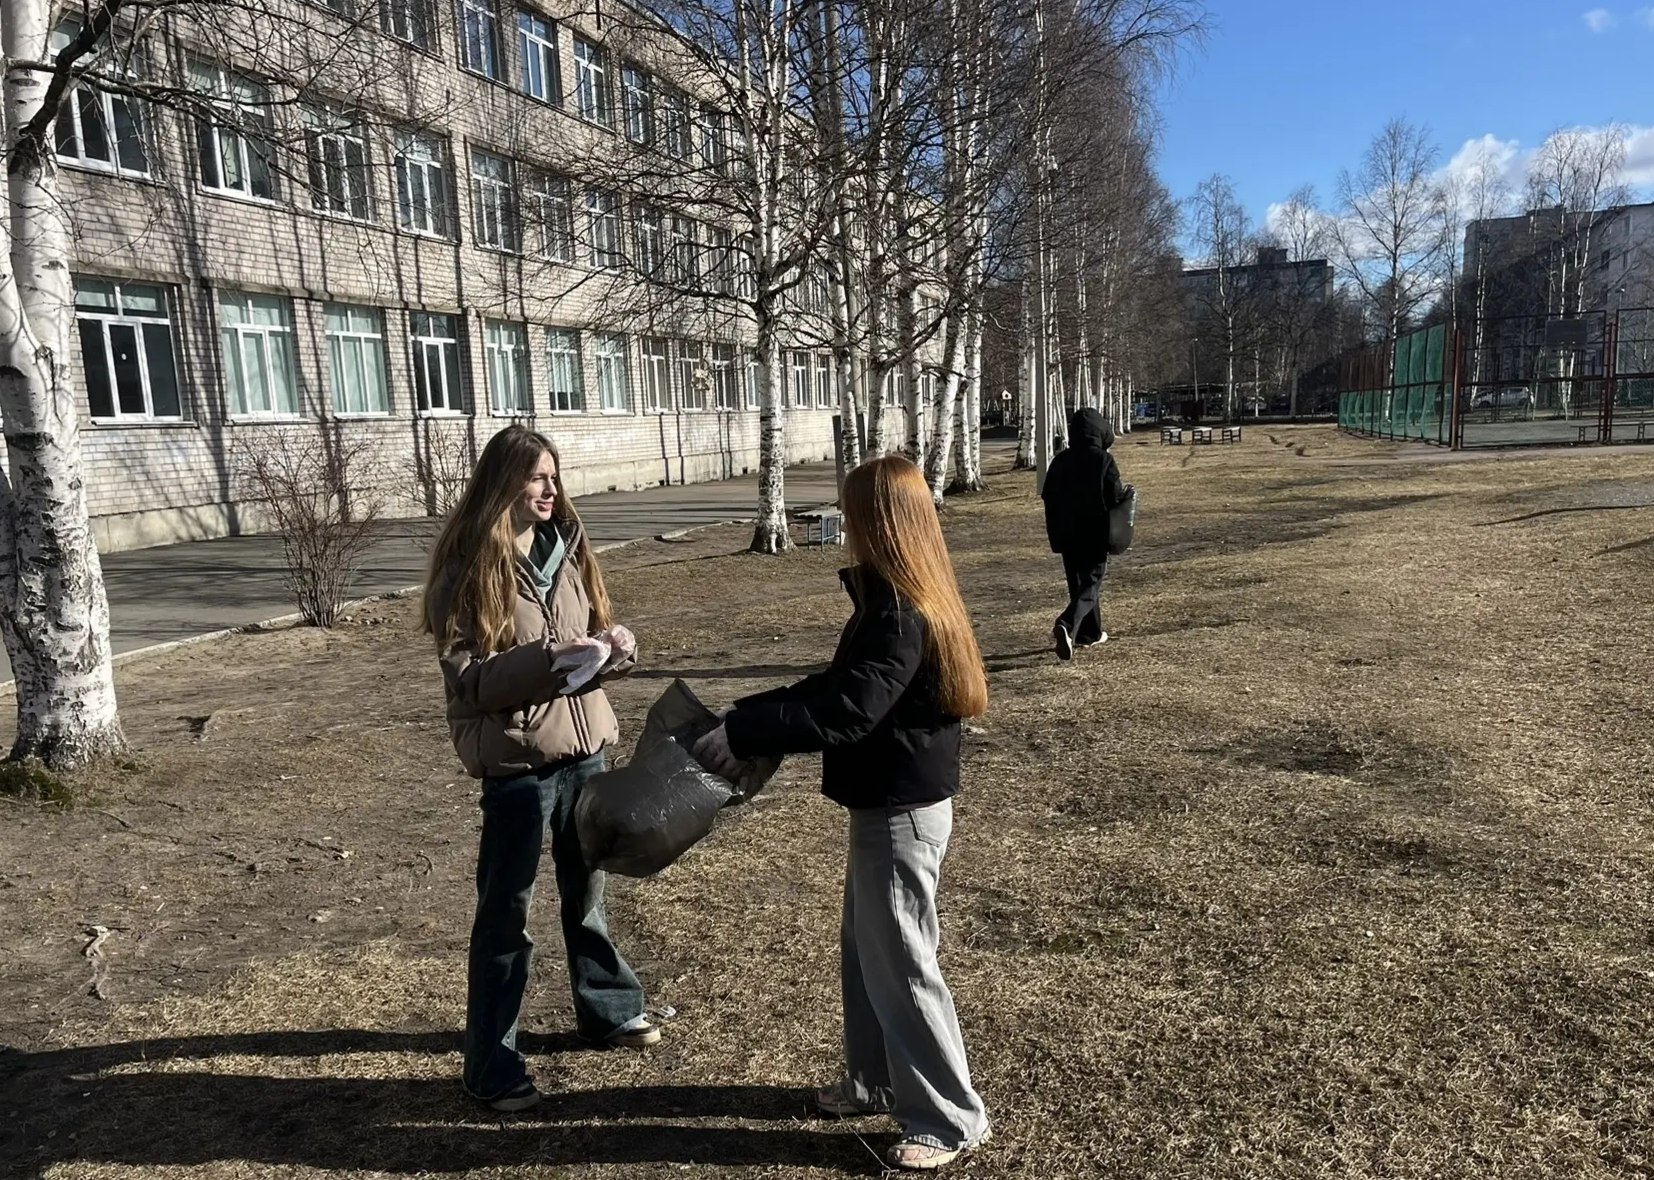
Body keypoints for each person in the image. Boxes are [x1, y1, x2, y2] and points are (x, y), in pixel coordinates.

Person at [693, 455, 993, 1172]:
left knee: (902, 965)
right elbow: (835, 686)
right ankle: (875, 1080)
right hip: (887, 805)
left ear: (880, 519)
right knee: (868, 957)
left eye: (853, 508)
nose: (845, 520)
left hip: (901, 810)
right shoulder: (892, 597)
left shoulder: (901, 610)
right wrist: (748, 711)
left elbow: (848, 711)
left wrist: (746, 734)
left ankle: (950, 1119)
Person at [421, 425, 660, 1114]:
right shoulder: (466, 571)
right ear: (504, 484)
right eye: (535, 478)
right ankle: (489, 1062)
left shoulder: (569, 550)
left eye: (554, 476)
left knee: (588, 891)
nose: (550, 489)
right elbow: (468, 682)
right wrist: (549, 662)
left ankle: (608, 1009)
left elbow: (586, 640)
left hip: (587, 751)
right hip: (519, 766)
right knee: (508, 914)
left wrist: (615, 647)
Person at [1041, 406, 1125, 660]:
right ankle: (1066, 624)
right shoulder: (1103, 460)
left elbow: (1048, 496)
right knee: (1090, 584)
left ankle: (1090, 633)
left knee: (1078, 584)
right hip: (1095, 532)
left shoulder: (1060, 460)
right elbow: (1114, 496)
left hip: (1066, 534)